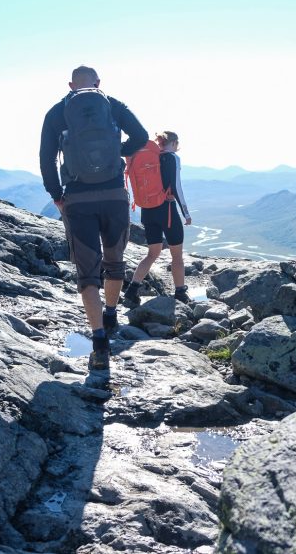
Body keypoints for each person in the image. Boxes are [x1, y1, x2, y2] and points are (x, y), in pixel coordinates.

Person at [39, 65, 148, 370]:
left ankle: (99, 342)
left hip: (77, 197)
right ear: (99, 82)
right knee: (114, 260)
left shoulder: (56, 112)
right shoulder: (113, 104)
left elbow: (46, 157)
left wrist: (56, 195)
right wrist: (117, 151)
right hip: (114, 194)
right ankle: (111, 313)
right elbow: (140, 136)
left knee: (87, 272)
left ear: (71, 85)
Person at [122, 131, 192, 307]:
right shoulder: (172, 158)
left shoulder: (150, 157)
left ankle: (131, 290)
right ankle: (180, 293)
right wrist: (186, 212)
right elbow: (177, 186)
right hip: (166, 210)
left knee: (152, 253)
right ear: (175, 143)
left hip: (147, 210)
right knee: (177, 256)